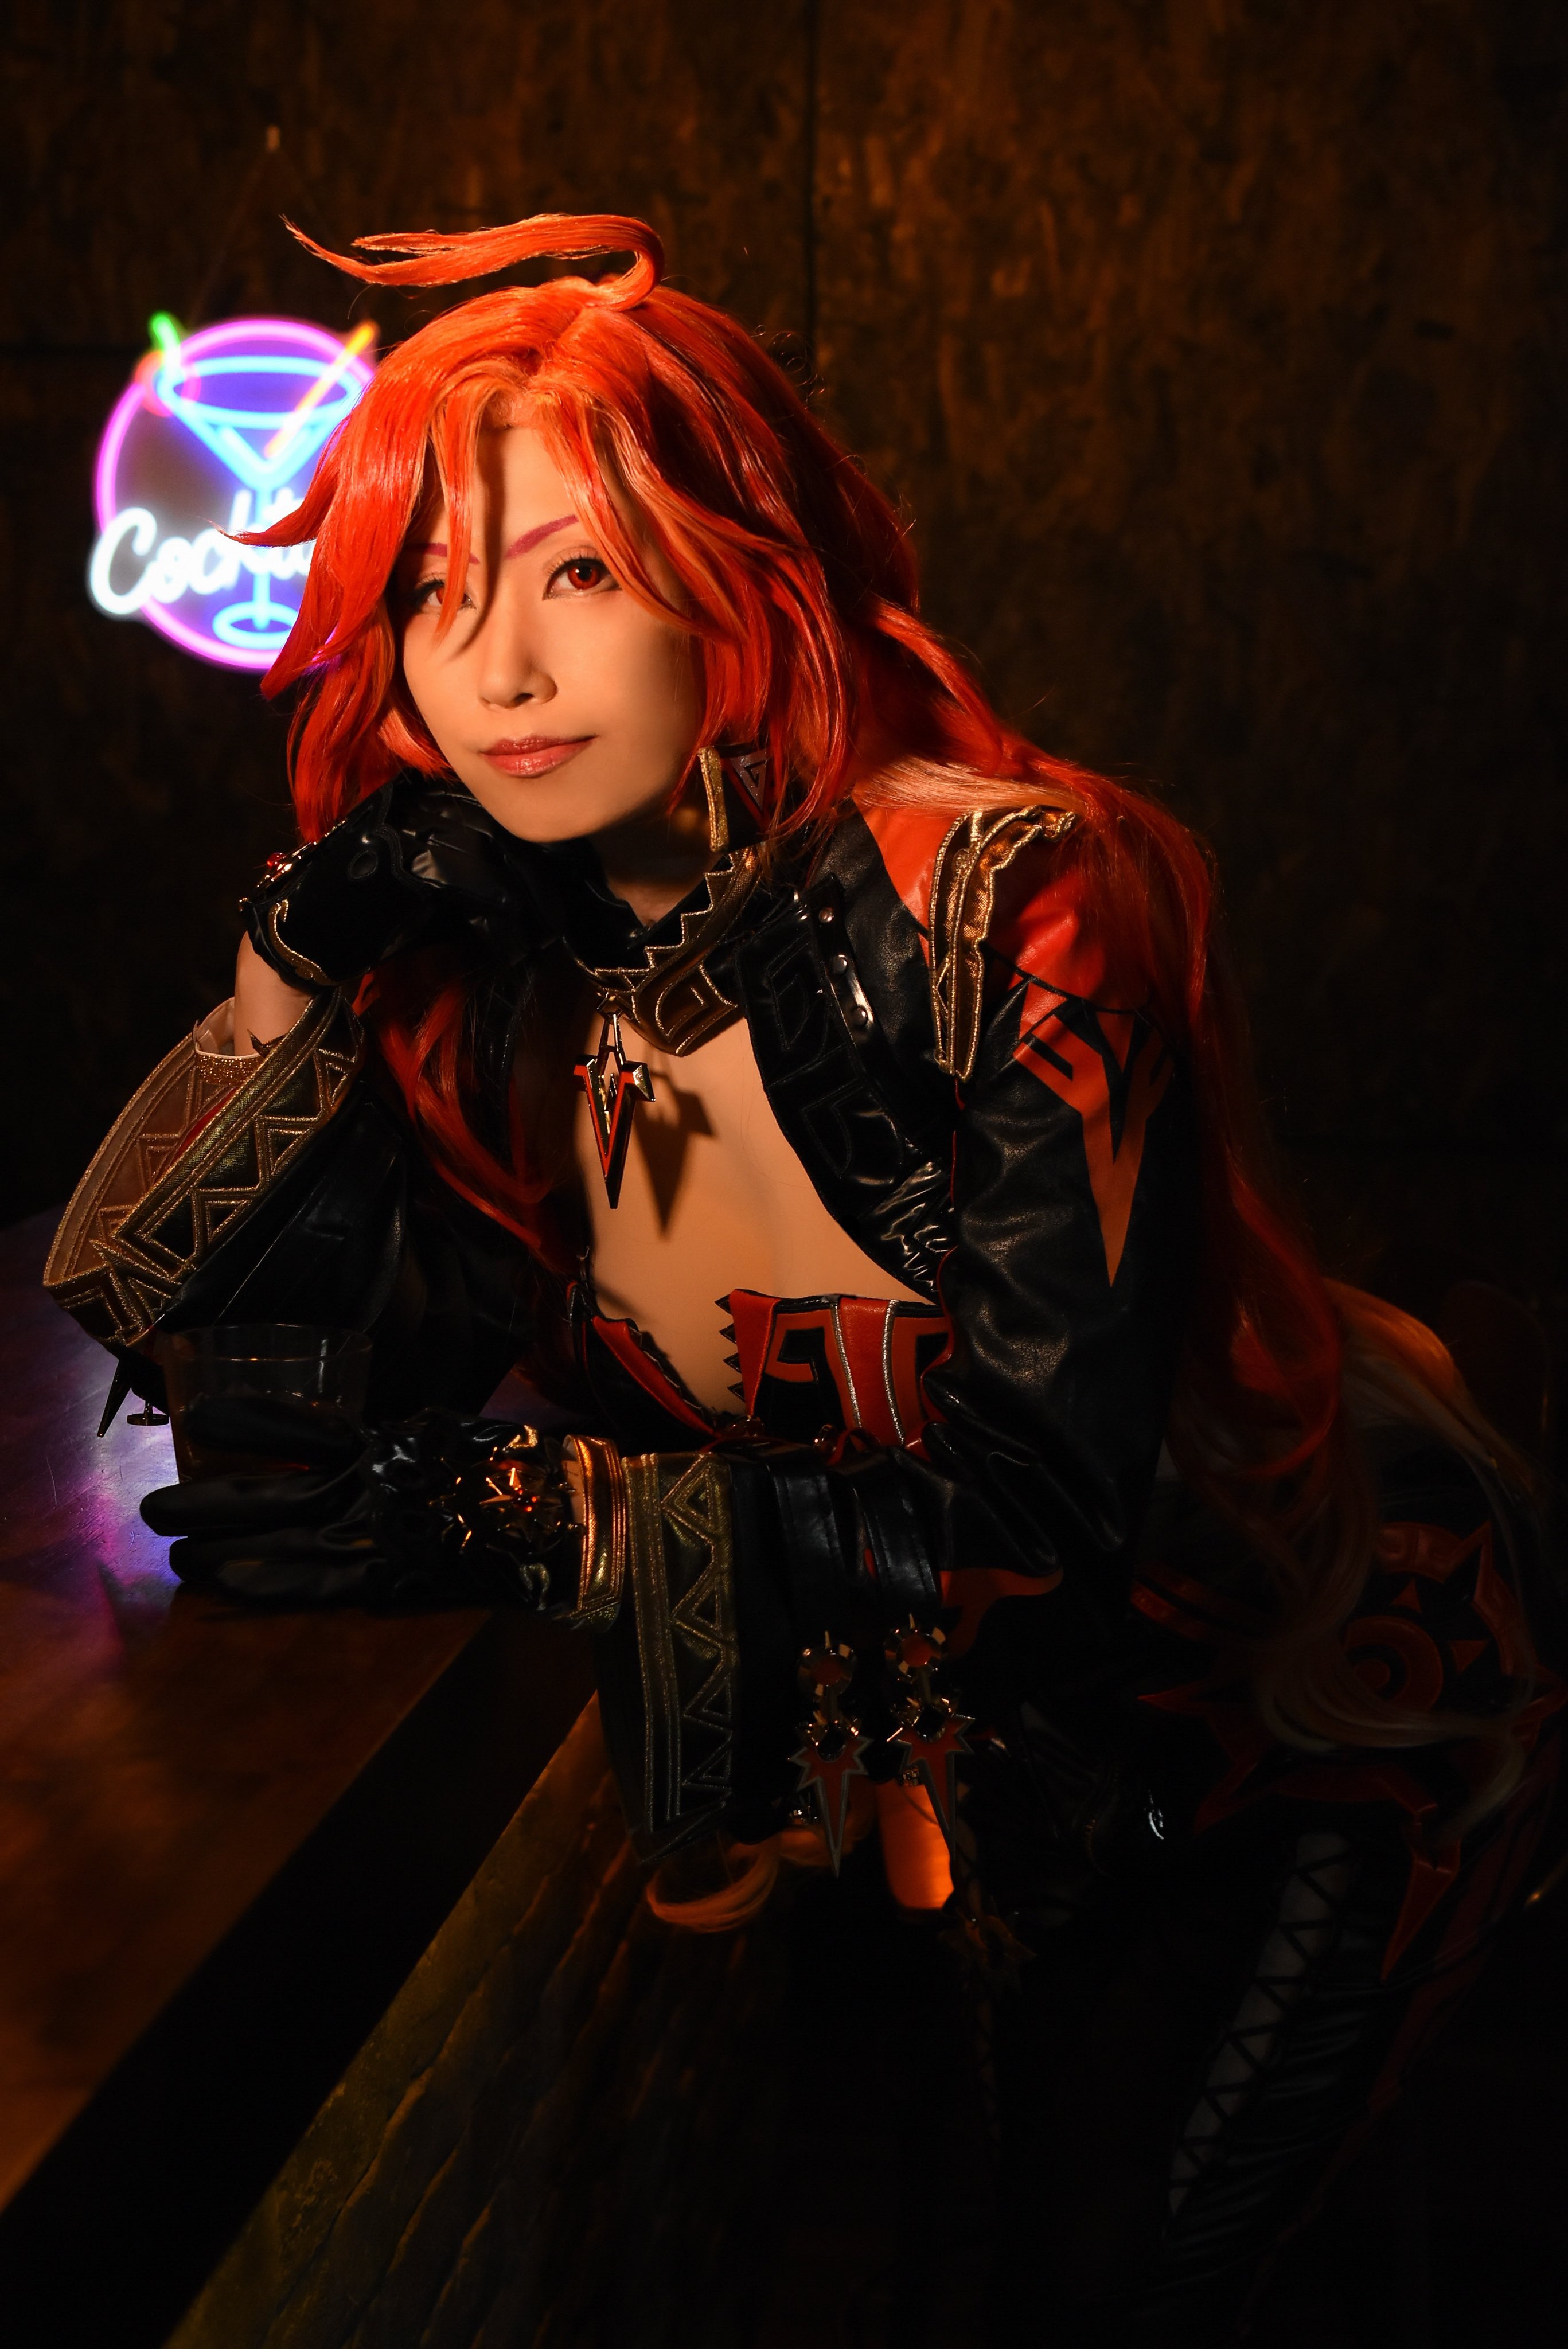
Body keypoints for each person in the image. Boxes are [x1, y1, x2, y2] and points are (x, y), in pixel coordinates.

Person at [45, 212, 1561, 2343]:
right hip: (974, 1763)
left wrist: (532, 1511)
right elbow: (230, 1386)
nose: (497, 670)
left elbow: (1049, 1504)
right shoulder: (501, 978)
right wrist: (292, 969)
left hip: (1311, 1687)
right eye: (431, 592)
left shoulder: (1016, 902)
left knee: (1109, 2287)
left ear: (739, 567)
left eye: (578, 571)